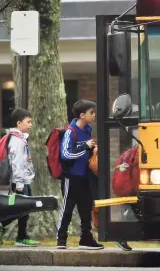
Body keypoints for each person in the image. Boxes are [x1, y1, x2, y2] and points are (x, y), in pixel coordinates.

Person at [56, 100, 104, 250]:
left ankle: (86, 239)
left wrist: (92, 150)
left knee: (86, 208)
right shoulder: (71, 131)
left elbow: (85, 151)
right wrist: (85, 146)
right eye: (92, 112)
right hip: (72, 177)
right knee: (67, 208)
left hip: (85, 176)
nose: (94, 115)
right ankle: (61, 239)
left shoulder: (88, 129)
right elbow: (65, 154)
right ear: (82, 115)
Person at [0, 108, 40, 247]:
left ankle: (21, 236)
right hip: (20, 181)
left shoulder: (16, 138)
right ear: (19, 123)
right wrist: (19, 183)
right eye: (28, 122)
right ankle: (2, 224)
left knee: (24, 208)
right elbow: (17, 162)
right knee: (24, 208)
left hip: (20, 180)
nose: (30, 125)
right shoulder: (17, 141)